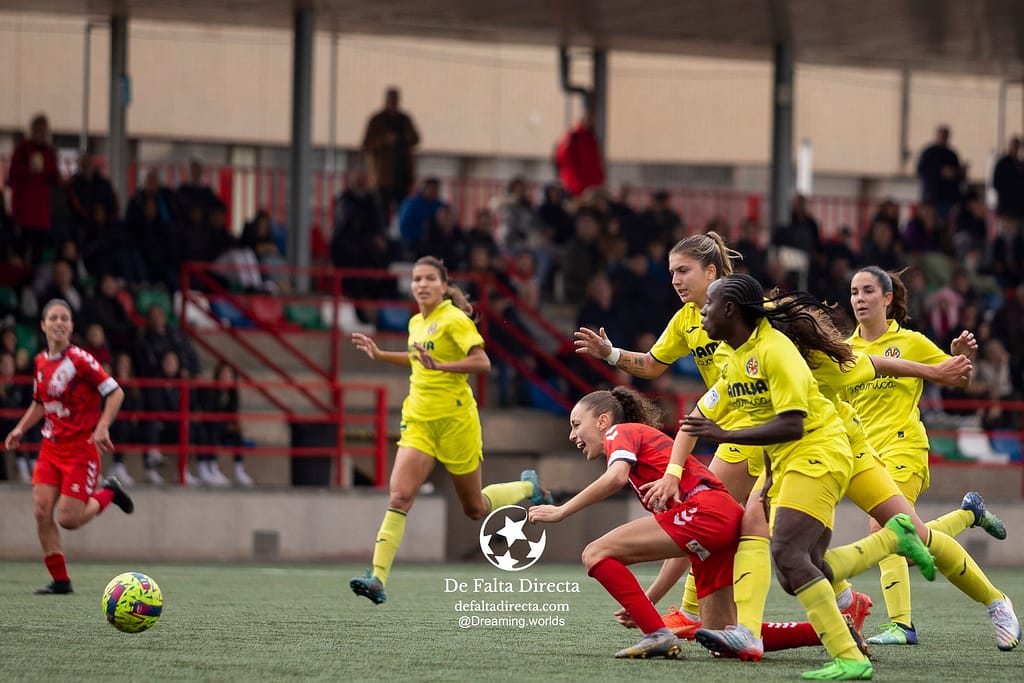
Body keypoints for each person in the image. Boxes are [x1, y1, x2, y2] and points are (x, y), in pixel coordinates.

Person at [643, 275, 936, 680]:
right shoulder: (735, 357)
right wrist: (674, 471)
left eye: (709, 304)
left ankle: (841, 653)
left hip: (818, 450)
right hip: (787, 461)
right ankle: (889, 543)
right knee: (802, 560)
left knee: (789, 557)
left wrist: (729, 436)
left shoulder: (776, 352)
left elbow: (793, 424)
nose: (702, 311)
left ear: (730, 310)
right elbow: (697, 419)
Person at [575, 232, 774, 639]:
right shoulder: (687, 320)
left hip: (780, 434)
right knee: (703, 519)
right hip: (733, 436)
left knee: (780, 538)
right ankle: (694, 613)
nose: (675, 281)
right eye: (671, 273)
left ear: (711, 272)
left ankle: (841, 603)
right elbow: (651, 364)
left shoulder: (753, 314)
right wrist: (610, 353)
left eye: (683, 271)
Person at [348, 256, 553, 605]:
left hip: (457, 423)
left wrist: (442, 365)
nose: (422, 285)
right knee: (399, 496)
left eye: (429, 278)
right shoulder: (416, 322)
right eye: (416, 279)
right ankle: (378, 578)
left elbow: (482, 362)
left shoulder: (454, 320)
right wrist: (382, 355)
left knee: (474, 508)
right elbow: (419, 359)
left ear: (444, 286)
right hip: (419, 422)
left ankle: (526, 485)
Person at [845, 266, 1017, 648]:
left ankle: (903, 625)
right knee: (909, 544)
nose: (859, 298)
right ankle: (969, 514)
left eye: (868, 290)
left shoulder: (910, 341)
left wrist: (957, 358)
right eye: (854, 291)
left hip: (905, 447)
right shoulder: (845, 350)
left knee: (885, 529)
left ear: (888, 299)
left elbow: (956, 377)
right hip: (865, 459)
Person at [528, 386, 744, 659]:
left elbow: (615, 478)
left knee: (595, 552)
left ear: (603, 421)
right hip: (719, 518)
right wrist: (648, 600)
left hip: (706, 511)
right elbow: (681, 549)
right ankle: (813, 633)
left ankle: (657, 635)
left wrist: (561, 511)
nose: (572, 435)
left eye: (576, 424)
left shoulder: (620, 432)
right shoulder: (644, 461)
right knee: (726, 639)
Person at [2, 298, 133, 594]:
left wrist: (102, 426)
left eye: (65, 318)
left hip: (80, 450)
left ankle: (109, 491)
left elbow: (115, 393)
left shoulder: (81, 360)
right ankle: (61, 581)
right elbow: (40, 403)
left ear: (71, 326)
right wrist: (20, 429)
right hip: (51, 448)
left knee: (69, 519)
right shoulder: (39, 362)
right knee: (41, 511)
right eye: (54, 318)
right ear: (43, 325)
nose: (59, 322)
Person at [8, 114, 60, 265]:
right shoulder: (22, 149)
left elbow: (54, 179)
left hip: (41, 212)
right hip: (24, 210)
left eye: (44, 132)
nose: (42, 135)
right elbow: (13, 175)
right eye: (39, 131)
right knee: (22, 249)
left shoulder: (49, 152)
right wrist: (29, 170)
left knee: (39, 253)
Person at [361, 87, 420, 216]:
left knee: (403, 210)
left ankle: (398, 234)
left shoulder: (405, 119)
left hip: (403, 174)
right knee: (382, 211)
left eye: (395, 100)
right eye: (391, 99)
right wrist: (385, 140)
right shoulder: (377, 120)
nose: (393, 103)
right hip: (383, 177)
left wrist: (408, 137)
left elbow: (417, 139)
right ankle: (384, 235)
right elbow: (366, 144)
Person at [199, 362, 255, 487]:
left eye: (229, 375)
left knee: (237, 435)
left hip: (224, 428)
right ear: (218, 376)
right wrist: (226, 425)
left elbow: (233, 414)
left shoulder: (233, 393)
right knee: (209, 433)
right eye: (223, 375)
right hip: (211, 428)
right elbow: (208, 417)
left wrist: (235, 426)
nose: (226, 378)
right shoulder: (210, 392)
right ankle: (213, 468)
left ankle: (239, 470)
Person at [916, 125, 966, 219]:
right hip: (932, 197)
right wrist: (940, 172)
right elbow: (921, 170)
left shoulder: (952, 154)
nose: (943, 139)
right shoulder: (928, 153)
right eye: (941, 136)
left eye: (945, 136)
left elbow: (958, 176)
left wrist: (958, 173)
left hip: (949, 197)